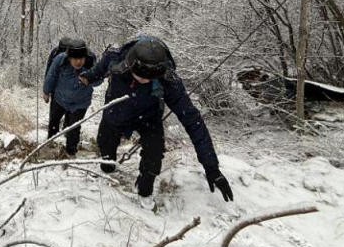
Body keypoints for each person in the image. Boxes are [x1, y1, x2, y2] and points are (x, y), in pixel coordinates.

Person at [79, 35, 233, 205]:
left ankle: (144, 195)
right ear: (130, 64)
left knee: (153, 158)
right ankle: (107, 173)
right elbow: (98, 70)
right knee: (106, 155)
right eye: (139, 77)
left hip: (149, 118)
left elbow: (192, 120)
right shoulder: (115, 58)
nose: (143, 81)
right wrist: (86, 77)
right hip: (115, 114)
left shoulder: (169, 80)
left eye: (148, 79)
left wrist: (211, 168)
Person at [43, 38, 100, 156]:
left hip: (80, 103)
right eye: (75, 59)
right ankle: (50, 143)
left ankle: (71, 151)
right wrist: (46, 91)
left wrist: (89, 79)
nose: (78, 62)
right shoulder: (60, 60)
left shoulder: (90, 62)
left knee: (73, 128)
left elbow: (98, 80)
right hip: (60, 99)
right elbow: (51, 75)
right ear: (69, 57)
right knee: (54, 121)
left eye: (81, 59)